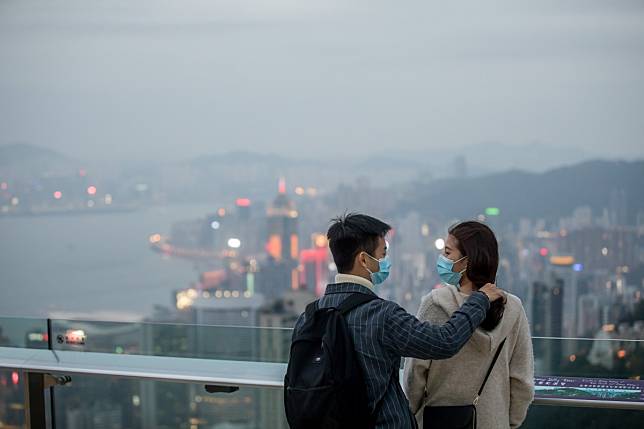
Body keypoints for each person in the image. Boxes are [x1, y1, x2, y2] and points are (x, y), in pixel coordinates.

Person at [290, 213, 504, 428]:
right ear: (364, 260)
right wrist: (480, 300)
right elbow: (444, 341)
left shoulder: (308, 317)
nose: (385, 262)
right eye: (382, 254)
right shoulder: (381, 315)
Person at [403, 221, 534, 428]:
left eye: (448, 253)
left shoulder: (435, 304)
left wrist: (414, 412)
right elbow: (522, 381)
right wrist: (506, 422)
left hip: (439, 421)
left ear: (466, 261)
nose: (443, 259)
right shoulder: (513, 308)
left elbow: (415, 374)